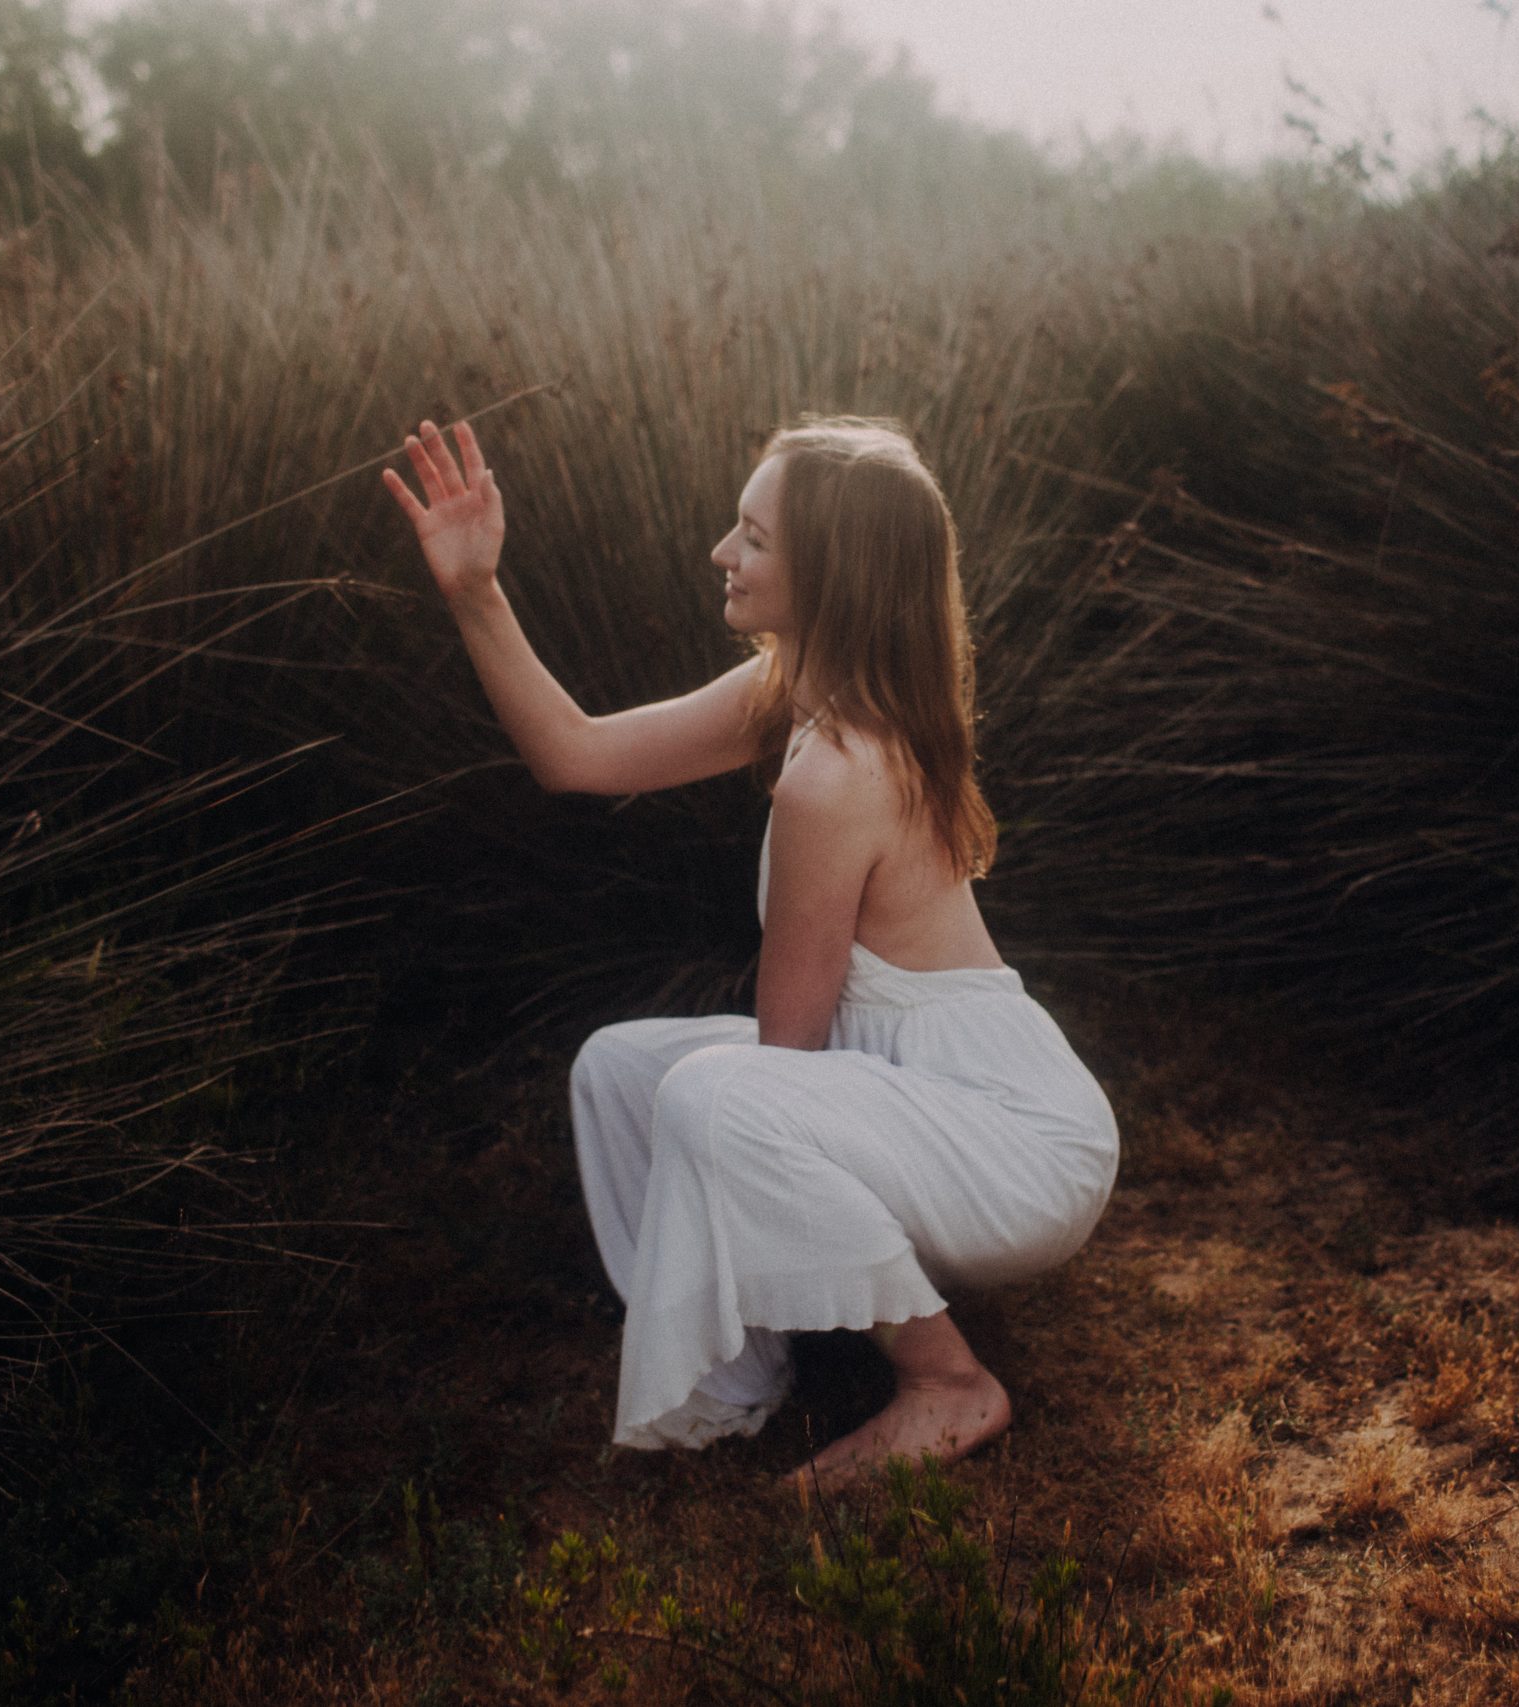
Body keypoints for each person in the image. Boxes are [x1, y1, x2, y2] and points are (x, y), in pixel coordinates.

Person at [381, 413, 1117, 1490]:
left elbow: (784, 1054)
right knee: (620, 1070)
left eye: (754, 537)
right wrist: (474, 592)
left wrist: (740, 1112)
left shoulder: (839, 772)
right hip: (916, 1098)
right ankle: (739, 1362)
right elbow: (576, 755)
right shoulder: (792, 694)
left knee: (715, 1098)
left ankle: (947, 1381)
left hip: (1016, 1149)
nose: (723, 554)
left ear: (834, 571)